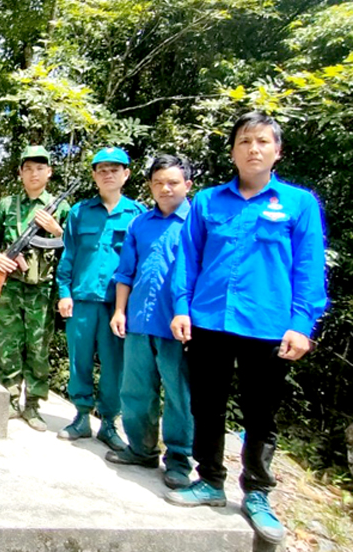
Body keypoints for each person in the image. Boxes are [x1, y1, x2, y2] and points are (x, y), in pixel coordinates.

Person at [166, 112, 327, 545]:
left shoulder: (299, 204)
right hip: (209, 320)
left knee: (261, 413)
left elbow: (309, 269)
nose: (253, 149)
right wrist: (181, 307)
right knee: (207, 405)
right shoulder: (207, 201)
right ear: (233, 150)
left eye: (261, 141)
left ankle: (257, 492)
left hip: (269, 326)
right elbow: (188, 259)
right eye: (244, 141)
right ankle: (210, 481)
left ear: (277, 150)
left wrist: (301, 324)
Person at [107, 155, 194, 489]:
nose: (165, 188)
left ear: (187, 185)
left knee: (178, 395)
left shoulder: (197, 223)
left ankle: (179, 460)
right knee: (136, 390)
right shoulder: (139, 224)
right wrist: (119, 311)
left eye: (172, 182)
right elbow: (125, 272)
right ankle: (141, 449)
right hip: (139, 321)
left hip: (177, 325)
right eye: (158, 183)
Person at [56, 147, 145, 450]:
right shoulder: (80, 211)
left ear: (126, 174)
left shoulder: (138, 215)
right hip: (81, 301)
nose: (108, 174)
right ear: (94, 175)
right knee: (79, 360)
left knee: (114, 365)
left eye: (115, 169)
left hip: (117, 306)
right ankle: (81, 418)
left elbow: (140, 264)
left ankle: (108, 422)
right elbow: (68, 255)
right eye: (102, 170)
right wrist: (64, 293)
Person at [0, 146, 68, 430]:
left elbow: (75, 246)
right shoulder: (8, 205)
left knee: (38, 347)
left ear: (49, 172)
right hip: (10, 287)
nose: (34, 173)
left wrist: (57, 231)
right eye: (28, 168)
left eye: (40, 168)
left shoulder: (62, 207)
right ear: (20, 172)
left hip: (42, 289)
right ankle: (6, 399)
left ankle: (32, 405)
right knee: (8, 343)